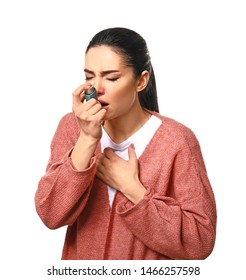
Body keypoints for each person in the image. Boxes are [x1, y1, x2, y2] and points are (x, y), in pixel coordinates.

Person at [35, 27, 217, 260]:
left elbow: (200, 241)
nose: (96, 89)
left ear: (141, 81)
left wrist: (134, 190)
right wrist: (88, 139)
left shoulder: (177, 141)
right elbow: (51, 214)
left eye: (111, 78)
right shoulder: (72, 127)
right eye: (89, 76)